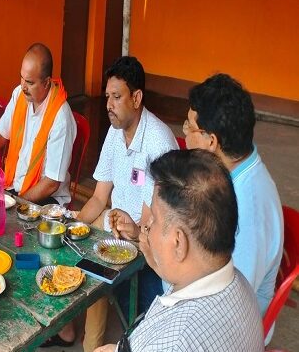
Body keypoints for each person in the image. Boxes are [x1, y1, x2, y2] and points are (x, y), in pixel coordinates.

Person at [47, 56, 178, 350]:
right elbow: (97, 197)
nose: (108, 104)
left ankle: (91, 343)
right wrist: (70, 224)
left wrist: (133, 229)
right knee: (67, 246)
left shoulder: (158, 142)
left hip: (146, 241)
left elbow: (150, 223)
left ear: (137, 97)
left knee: (96, 271)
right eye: (107, 97)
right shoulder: (115, 133)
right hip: (114, 229)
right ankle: (81, 337)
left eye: (116, 97)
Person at [95, 149, 264, 352]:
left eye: (154, 218)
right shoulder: (238, 284)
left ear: (178, 242)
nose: (147, 226)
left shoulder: (175, 342)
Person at [183, 73, 283, 342]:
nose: (184, 135)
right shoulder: (234, 173)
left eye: (188, 128)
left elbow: (230, 300)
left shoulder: (250, 207)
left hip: (231, 332)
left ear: (211, 141)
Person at [0, 43, 76, 205]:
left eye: (30, 82)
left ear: (46, 83)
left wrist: (17, 202)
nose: (23, 86)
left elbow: (52, 183)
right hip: (14, 187)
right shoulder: (19, 95)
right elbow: (1, 134)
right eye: (21, 78)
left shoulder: (61, 117)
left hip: (45, 198)